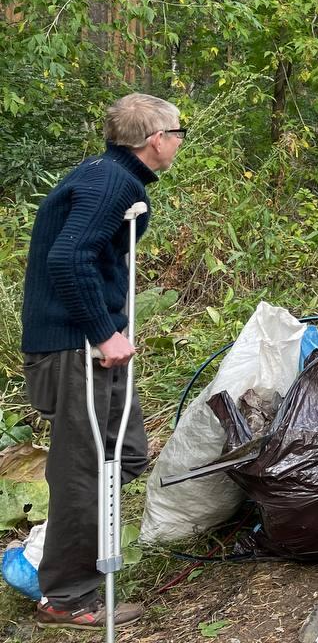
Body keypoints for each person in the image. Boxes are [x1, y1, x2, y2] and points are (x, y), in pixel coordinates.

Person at [22, 94, 184, 629]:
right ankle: (66, 597)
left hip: (88, 343)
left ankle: (65, 548)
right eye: (178, 132)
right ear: (155, 138)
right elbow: (68, 257)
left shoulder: (109, 176)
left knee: (125, 455)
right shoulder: (111, 182)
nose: (180, 142)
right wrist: (102, 331)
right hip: (74, 347)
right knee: (86, 469)